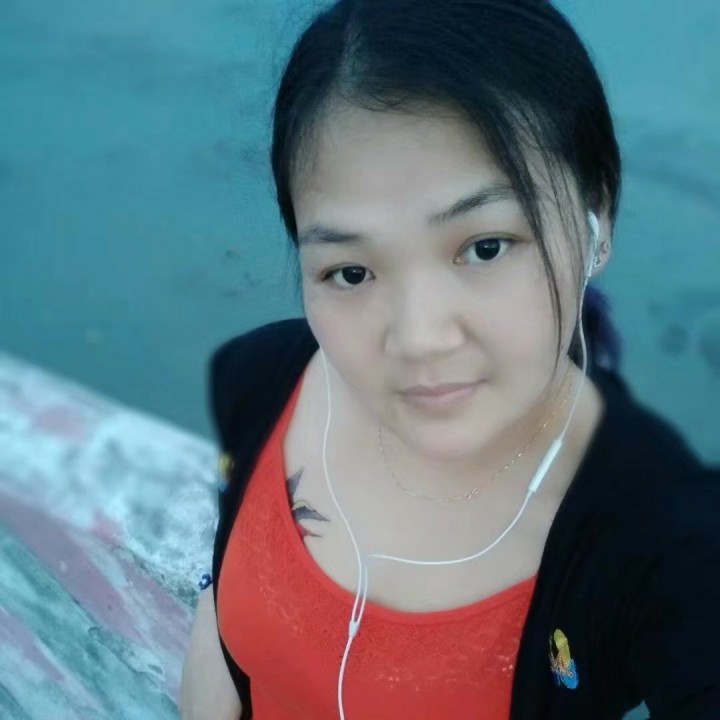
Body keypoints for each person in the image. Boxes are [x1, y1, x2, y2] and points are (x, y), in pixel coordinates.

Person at [179, 1, 720, 718]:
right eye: (351, 271)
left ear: (599, 215)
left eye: (485, 247)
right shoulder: (258, 380)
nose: (419, 338)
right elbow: (224, 592)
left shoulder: (664, 542)